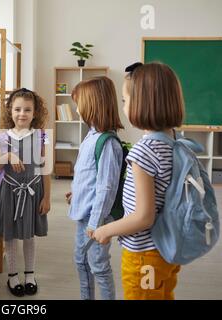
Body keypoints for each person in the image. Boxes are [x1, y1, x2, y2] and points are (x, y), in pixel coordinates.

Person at [93, 62, 184, 300]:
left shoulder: (144, 152)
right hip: (167, 248)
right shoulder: (174, 142)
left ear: (142, 103)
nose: (123, 107)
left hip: (144, 253)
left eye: (125, 100)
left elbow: (143, 216)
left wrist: (106, 230)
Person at [66, 77, 124, 300]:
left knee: (98, 266)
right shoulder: (91, 136)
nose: (77, 109)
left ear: (92, 104)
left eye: (79, 103)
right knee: (81, 261)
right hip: (84, 214)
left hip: (96, 219)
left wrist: (96, 223)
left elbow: (106, 187)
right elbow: (88, 174)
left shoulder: (107, 142)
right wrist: (77, 191)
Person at [0, 88, 51, 297]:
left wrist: (47, 197)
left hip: (33, 190)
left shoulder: (42, 136)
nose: (22, 114)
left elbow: (45, 167)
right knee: (10, 235)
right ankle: (12, 275)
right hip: (9, 191)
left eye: (27, 109)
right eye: (17, 109)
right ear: (10, 110)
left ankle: (30, 275)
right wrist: (7, 156)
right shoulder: (3, 137)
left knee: (28, 235)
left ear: (35, 112)